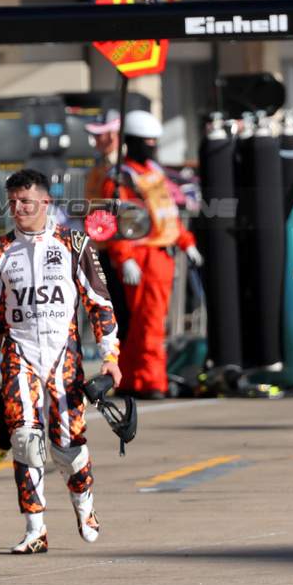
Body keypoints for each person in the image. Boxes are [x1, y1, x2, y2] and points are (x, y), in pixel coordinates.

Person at [0, 168, 122, 554]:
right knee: (24, 439)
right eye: (14, 202)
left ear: (45, 201)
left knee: (68, 443)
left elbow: (99, 303)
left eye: (27, 202)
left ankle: (84, 505)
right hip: (19, 356)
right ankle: (35, 527)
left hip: (63, 356)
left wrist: (111, 356)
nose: (19, 209)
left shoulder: (74, 243)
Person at [99, 110, 202, 399]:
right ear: (132, 141)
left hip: (162, 255)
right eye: (148, 141)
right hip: (142, 257)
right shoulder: (121, 180)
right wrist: (124, 257)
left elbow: (168, 214)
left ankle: (131, 378)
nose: (153, 146)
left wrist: (186, 242)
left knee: (144, 323)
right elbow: (116, 223)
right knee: (150, 323)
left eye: (155, 141)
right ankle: (151, 380)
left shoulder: (153, 173)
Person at [82, 110, 130, 342]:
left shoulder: (124, 170)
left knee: (125, 312)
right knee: (112, 310)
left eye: (99, 135)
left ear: (113, 135)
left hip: (122, 253)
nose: (95, 140)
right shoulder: (99, 168)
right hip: (101, 249)